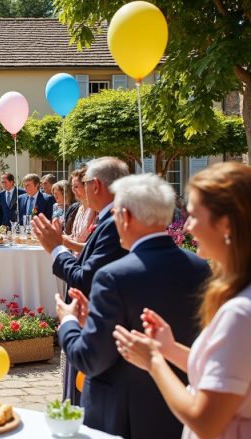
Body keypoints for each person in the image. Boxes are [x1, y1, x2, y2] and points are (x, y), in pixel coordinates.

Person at [56, 174, 209, 438]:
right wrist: (93, 319)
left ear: (124, 216)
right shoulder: (200, 268)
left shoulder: (113, 276)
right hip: (177, 407)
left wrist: (68, 322)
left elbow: (90, 359)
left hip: (120, 417)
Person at [113, 162, 251, 439]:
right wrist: (169, 348)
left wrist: (153, 361)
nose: (186, 227)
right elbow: (225, 377)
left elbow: (205, 422)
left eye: (193, 216)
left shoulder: (240, 312)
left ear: (225, 224)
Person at [32, 156, 129, 404]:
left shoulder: (113, 222)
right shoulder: (108, 218)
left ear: (95, 185)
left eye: (83, 183)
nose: (80, 190)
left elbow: (85, 277)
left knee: (82, 398)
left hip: (95, 323)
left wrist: (55, 248)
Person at [64, 166, 96, 252]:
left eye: (76, 186)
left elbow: (92, 246)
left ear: (86, 186)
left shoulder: (96, 210)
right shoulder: (80, 208)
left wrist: (65, 242)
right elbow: (75, 237)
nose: (73, 190)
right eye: (72, 186)